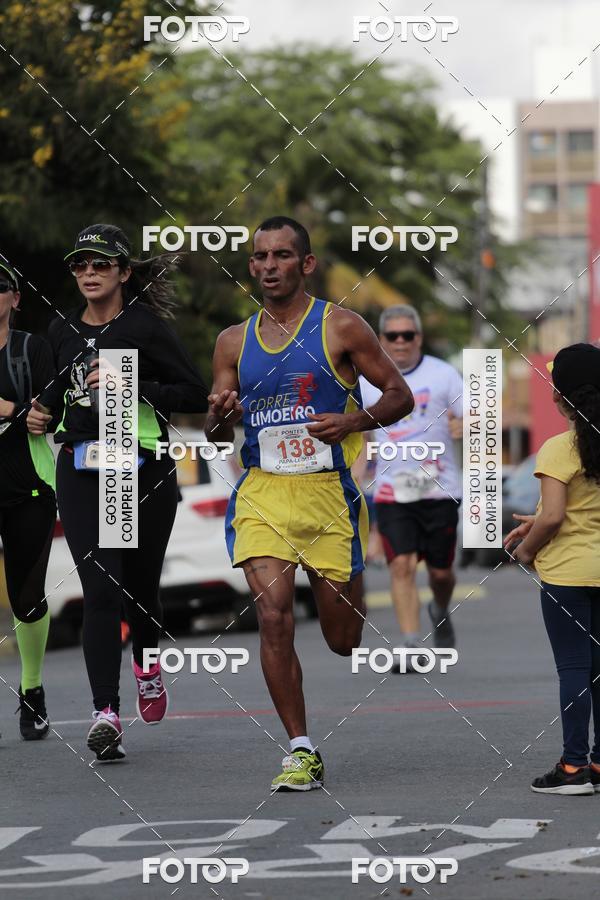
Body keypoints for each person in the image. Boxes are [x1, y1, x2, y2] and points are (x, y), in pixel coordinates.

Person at [206, 216, 413, 791]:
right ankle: (300, 748)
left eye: (281, 255)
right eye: (260, 257)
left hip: (328, 493)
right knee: (272, 617)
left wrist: (353, 419)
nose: (269, 266)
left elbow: (401, 395)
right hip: (263, 492)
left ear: (306, 264)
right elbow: (218, 430)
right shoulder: (231, 340)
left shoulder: (342, 327)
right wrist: (219, 418)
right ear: (251, 266)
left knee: (342, 640)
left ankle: (353, 580)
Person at [27, 224, 208, 761]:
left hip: (142, 468)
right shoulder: (61, 331)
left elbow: (194, 393)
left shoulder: (146, 328)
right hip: (84, 470)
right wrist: (41, 412)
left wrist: (133, 385)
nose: (88, 273)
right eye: (80, 265)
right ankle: (105, 712)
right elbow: (55, 395)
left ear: (124, 273)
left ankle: (147, 662)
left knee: (140, 591)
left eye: (101, 265)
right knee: (100, 590)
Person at [505, 343, 600, 795]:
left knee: (574, 669)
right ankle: (597, 765)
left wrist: (526, 551)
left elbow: (556, 516)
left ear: (561, 397)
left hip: (567, 576)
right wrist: (541, 518)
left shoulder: (560, 448)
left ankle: (572, 768)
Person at [358, 306, 463, 672]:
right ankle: (408, 644)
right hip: (392, 491)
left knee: (440, 573)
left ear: (418, 338)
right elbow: (361, 434)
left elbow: (475, 415)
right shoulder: (367, 380)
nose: (401, 342)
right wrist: (357, 480)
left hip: (439, 489)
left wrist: (464, 426)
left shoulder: (443, 373)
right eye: (392, 336)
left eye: (408, 335)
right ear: (381, 340)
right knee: (400, 565)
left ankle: (439, 607)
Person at [0, 259, 57, 739]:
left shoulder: (31, 349)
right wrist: (15, 410)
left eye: (0, 286)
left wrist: (29, 414)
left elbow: (49, 416)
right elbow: (27, 412)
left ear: (15, 299)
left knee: (27, 598)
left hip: (30, 488)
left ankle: (32, 688)